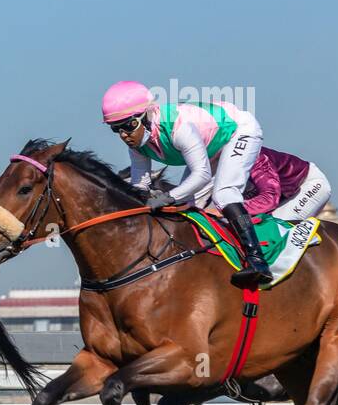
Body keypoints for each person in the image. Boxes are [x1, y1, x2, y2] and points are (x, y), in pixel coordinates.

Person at [102, 80, 271, 288]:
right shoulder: (137, 145)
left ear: (146, 115)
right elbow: (140, 186)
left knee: (224, 194)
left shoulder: (178, 128)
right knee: (188, 206)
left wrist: (166, 197)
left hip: (239, 131)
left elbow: (201, 175)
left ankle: (257, 260)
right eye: (115, 129)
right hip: (210, 143)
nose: (124, 135)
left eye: (128, 126)